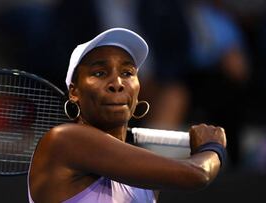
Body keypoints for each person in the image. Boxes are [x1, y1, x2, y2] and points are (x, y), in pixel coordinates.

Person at [27, 28, 227, 203]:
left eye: (127, 73)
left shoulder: (146, 183)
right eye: (99, 73)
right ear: (74, 91)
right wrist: (212, 147)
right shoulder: (64, 140)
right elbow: (197, 174)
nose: (117, 83)